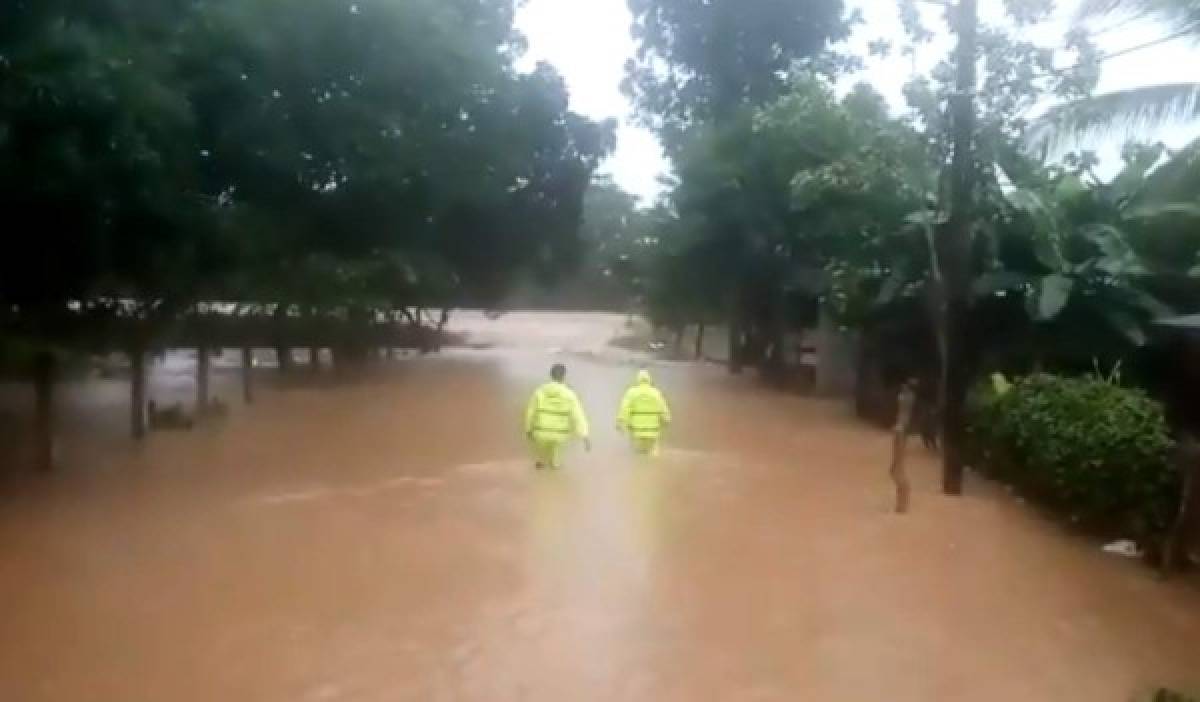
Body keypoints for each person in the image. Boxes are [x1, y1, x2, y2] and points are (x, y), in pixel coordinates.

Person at [524, 363, 590, 470]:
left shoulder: (539, 391)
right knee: (556, 464)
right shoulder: (569, 394)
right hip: (560, 435)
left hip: (541, 432)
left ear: (550, 375)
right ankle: (554, 472)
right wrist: (585, 436)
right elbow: (578, 416)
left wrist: (528, 429)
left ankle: (540, 469)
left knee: (540, 460)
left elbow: (530, 412)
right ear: (564, 376)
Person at [617, 369, 672, 457]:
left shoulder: (631, 393)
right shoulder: (656, 393)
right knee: (652, 459)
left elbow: (624, 409)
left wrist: (620, 423)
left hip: (636, 433)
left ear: (637, 380)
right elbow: (664, 410)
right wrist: (667, 420)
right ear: (649, 380)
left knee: (636, 459)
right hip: (652, 434)